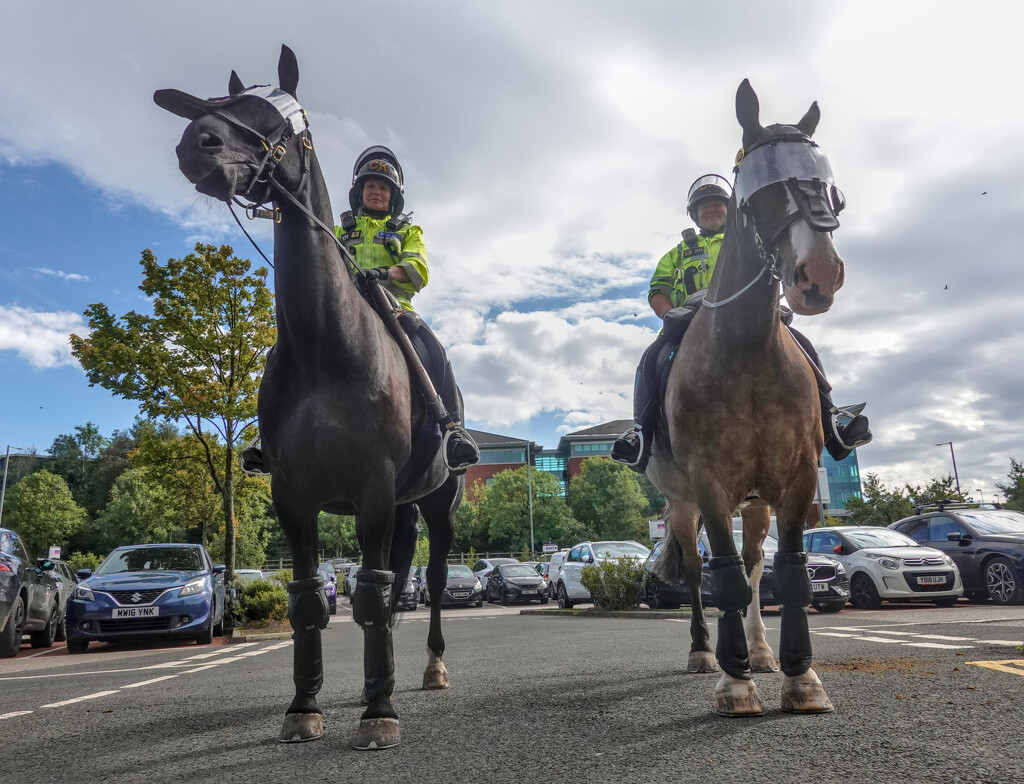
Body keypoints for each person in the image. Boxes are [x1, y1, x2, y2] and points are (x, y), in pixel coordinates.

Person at [241, 146, 479, 475]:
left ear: (392, 196)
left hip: (393, 309)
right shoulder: (338, 231)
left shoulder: (408, 231)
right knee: (281, 353)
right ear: (360, 192)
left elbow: (418, 269)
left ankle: (453, 430)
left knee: (434, 351)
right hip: (343, 314)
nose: (376, 192)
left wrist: (382, 274)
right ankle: (266, 438)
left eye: (383, 188)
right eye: (370, 186)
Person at [610, 173, 872, 471]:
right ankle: (640, 434)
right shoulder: (677, 253)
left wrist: (776, 305)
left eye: (717, 205)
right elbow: (657, 291)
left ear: (729, 210)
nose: (711, 210)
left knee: (803, 346)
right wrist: (669, 314)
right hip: (690, 322)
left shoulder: (750, 244)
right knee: (650, 359)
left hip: (748, 320)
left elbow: (776, 273)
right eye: (704, 206)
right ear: (695, 214)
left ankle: (832, 419)